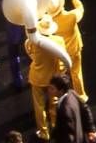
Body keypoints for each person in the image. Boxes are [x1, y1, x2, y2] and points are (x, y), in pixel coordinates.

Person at [26, 13, 70, 141]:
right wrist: (61, 72)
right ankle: (56, 126)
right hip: (53, 79)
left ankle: (44, 132)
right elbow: (62, 59)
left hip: (37, 78)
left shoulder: (32, 41)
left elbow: (28, 51)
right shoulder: (59, 41)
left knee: (39, 106)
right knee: (54, 103)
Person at [47, 0, 88, 100]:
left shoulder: (50, 20)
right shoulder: (72, 16)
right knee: (76, 73)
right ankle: (81, 96)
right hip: (74, 50)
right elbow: (81, 8)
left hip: (60, 52)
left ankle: (57, 98)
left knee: (59, 76)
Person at [48, 73, 96, 143]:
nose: (49, 90)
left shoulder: (65, 110)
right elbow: (85, 109)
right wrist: (91, 130)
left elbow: (68, 136)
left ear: (61, 90)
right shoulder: (72, 93)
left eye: (52, 88)